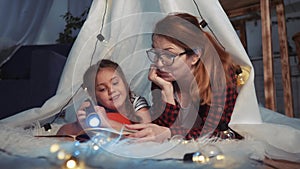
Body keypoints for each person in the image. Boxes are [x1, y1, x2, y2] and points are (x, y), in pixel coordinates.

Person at [126, 12, 243, 142]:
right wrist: (168, 94)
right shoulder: (162, 77)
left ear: (195, 56)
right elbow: (161, 128)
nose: (159, 64)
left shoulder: (219, 76)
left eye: (169, 55)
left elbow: (214, 131)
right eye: (157, 54)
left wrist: (169, 133)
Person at [57, 59, 151, 136]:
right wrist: (78, 126)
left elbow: (147, 133)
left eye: (115, 83)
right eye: (102, 89)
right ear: (94, 96)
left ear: (125, 83)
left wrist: (108, 123)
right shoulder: (95, 110)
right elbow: (61, 133)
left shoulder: (136, 102)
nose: (111, 91)